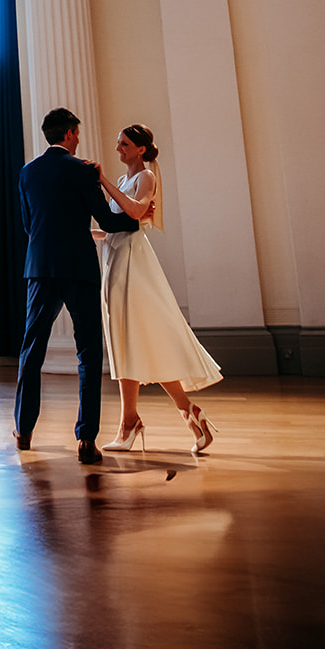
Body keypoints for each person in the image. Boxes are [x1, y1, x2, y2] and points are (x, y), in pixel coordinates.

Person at [14, 108, 139, 464]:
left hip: (39, 269)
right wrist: (137, 220)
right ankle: (86, 439)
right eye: (77, 133)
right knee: (87, 352)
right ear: (69, 134)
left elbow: (28, 226)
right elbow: (107, 221)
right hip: (79, 268)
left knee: (31, 349)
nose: (79, 138)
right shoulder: (83, 170)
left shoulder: (27, 172)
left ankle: (24, 431)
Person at [97, 125, 222, 453]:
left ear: (140, 149)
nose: (118, 148)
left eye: (124, 144)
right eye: (119, 143)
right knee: (129, 340)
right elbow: (116, 228)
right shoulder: (124, 181)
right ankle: (184, 413)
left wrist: (103, 182)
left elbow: (136, 213)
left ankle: (130, 424)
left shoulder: (146, 177)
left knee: (137, 337)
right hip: (115, 258)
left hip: (133, 264)